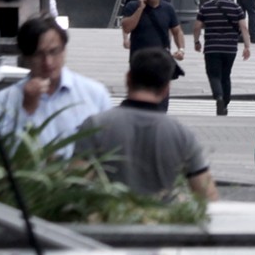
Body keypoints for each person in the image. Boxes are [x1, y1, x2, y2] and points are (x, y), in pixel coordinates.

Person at [78, 48, 218, 202]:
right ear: (166, 89)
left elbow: (75, 185)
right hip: (164, 223)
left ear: (128, 79)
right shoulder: (182, 135)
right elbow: (207, 196)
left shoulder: (96, 125)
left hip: (109, 222)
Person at [0, 16, 112, 154]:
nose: (48, 62)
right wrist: (26, 110)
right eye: (38, 55)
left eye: (54, 51)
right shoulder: (5, 100)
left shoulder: (94, 94)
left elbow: (112, 148)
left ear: (64, 50)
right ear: (26, 57)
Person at [118, 0, 186, 108]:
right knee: (140, 98)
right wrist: (140, 9)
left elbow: (177, 31)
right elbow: (127, 28)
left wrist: (181, 49)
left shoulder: (167, 8)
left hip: (161, 59)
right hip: (139, 59)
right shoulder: (132, 6)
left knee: (161, 100)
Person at [193, 0, 252, 116]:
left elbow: (197, 26)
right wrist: (247, 46)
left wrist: (196, 41)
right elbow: (243, 26)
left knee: (214, 75)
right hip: (230, 48)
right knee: (226, 75)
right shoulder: (236, 8)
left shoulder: (206, 7)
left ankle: (219, 97)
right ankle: (225, 103)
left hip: (212, 47)